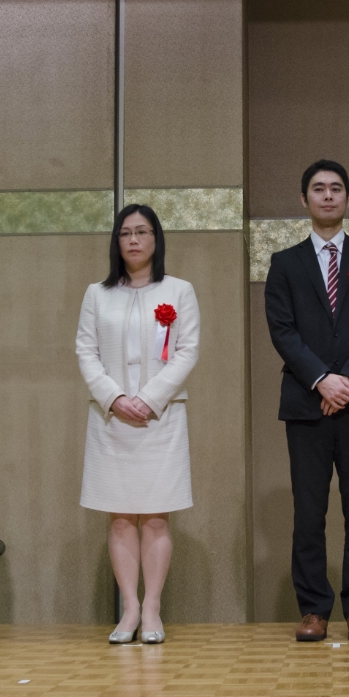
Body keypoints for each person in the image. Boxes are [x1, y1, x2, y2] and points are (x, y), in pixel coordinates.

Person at [265, 159, 349, 642]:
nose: (327, 196)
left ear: (347, 198)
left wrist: (347, 382)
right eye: (317, 189)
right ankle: (314, 609)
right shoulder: (284, 263)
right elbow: (282, 329)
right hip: (306, 402)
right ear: (304, 200)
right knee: (309, 510)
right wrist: (322, 379)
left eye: (336, 188)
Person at [77, 204, 200, 645]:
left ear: (156, 239)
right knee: (120, 518)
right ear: (116, 241)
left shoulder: (180, 290)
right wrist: (114, 398)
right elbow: (86, 352)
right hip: (110, 418)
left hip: (160, 418)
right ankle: (129, 607)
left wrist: (147, 399)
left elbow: (187, 351)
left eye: (142, 232)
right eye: (125, 233)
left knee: (155, 517)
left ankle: (152, 608)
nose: (133, 240)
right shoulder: (97, 293)